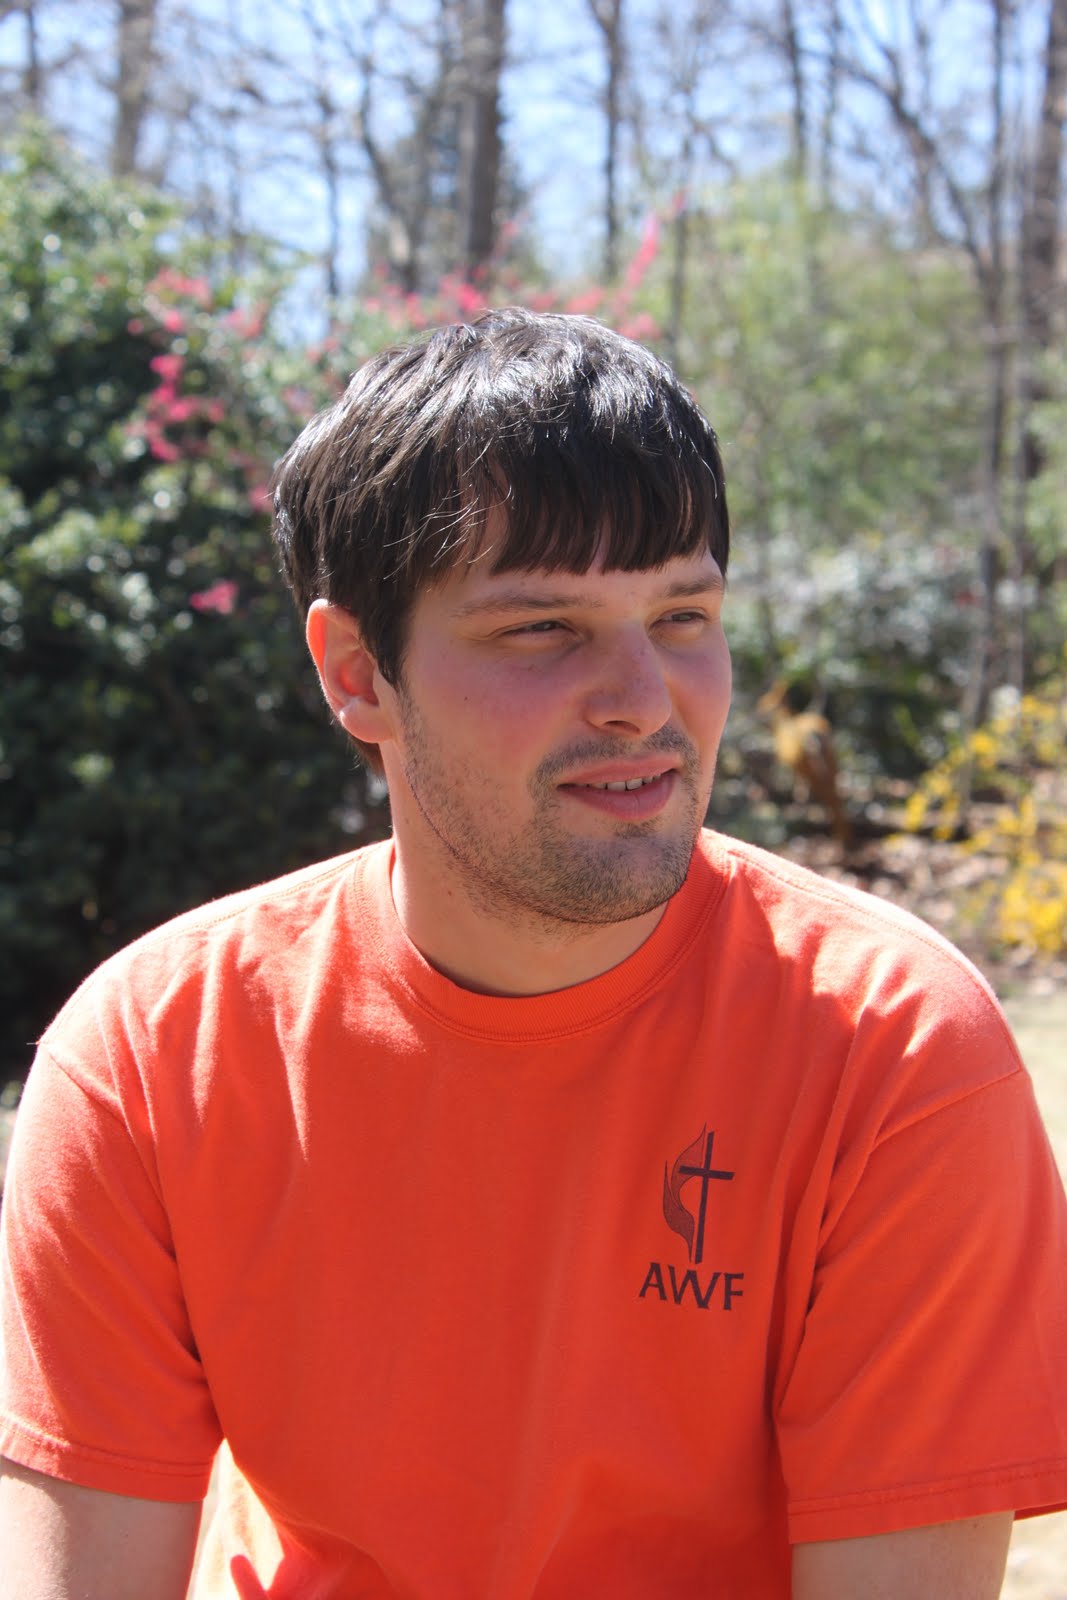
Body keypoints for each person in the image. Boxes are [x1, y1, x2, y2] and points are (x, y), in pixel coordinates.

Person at [1, 308, 1065, 1600]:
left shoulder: (895, 1052)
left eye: (683, 614)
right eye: (544, 629)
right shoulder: (150, 1059)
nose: (644, 698)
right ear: (356, 673)